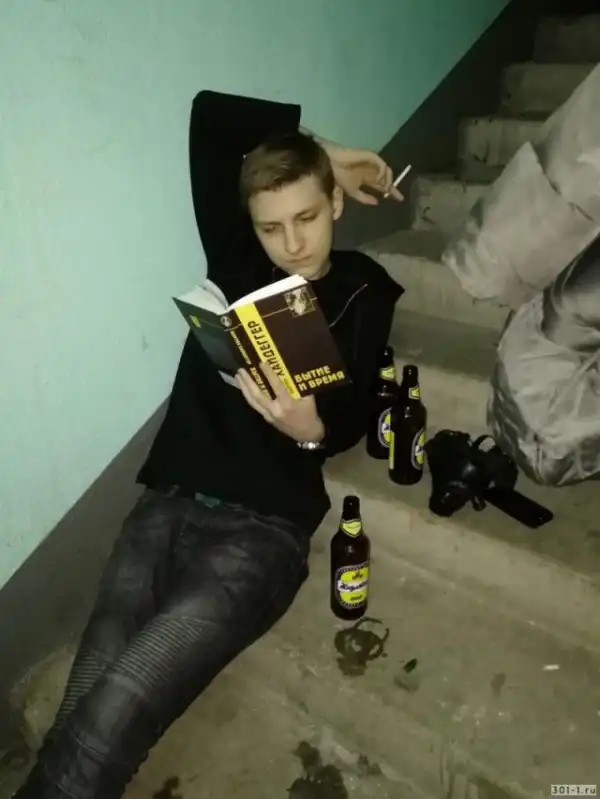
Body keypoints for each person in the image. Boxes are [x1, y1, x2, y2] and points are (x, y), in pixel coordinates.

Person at [14, 89, 404, 798]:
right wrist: (328, 151)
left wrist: (312, 429)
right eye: (272, 226)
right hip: (165, 503)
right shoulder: (238, 259)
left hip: (262, 532)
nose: (292, 243)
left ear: (335, 207)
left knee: (111, 712)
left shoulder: (363, 287)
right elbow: (214, 120)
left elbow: (355, 411)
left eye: (308, 217)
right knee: (83, 702)